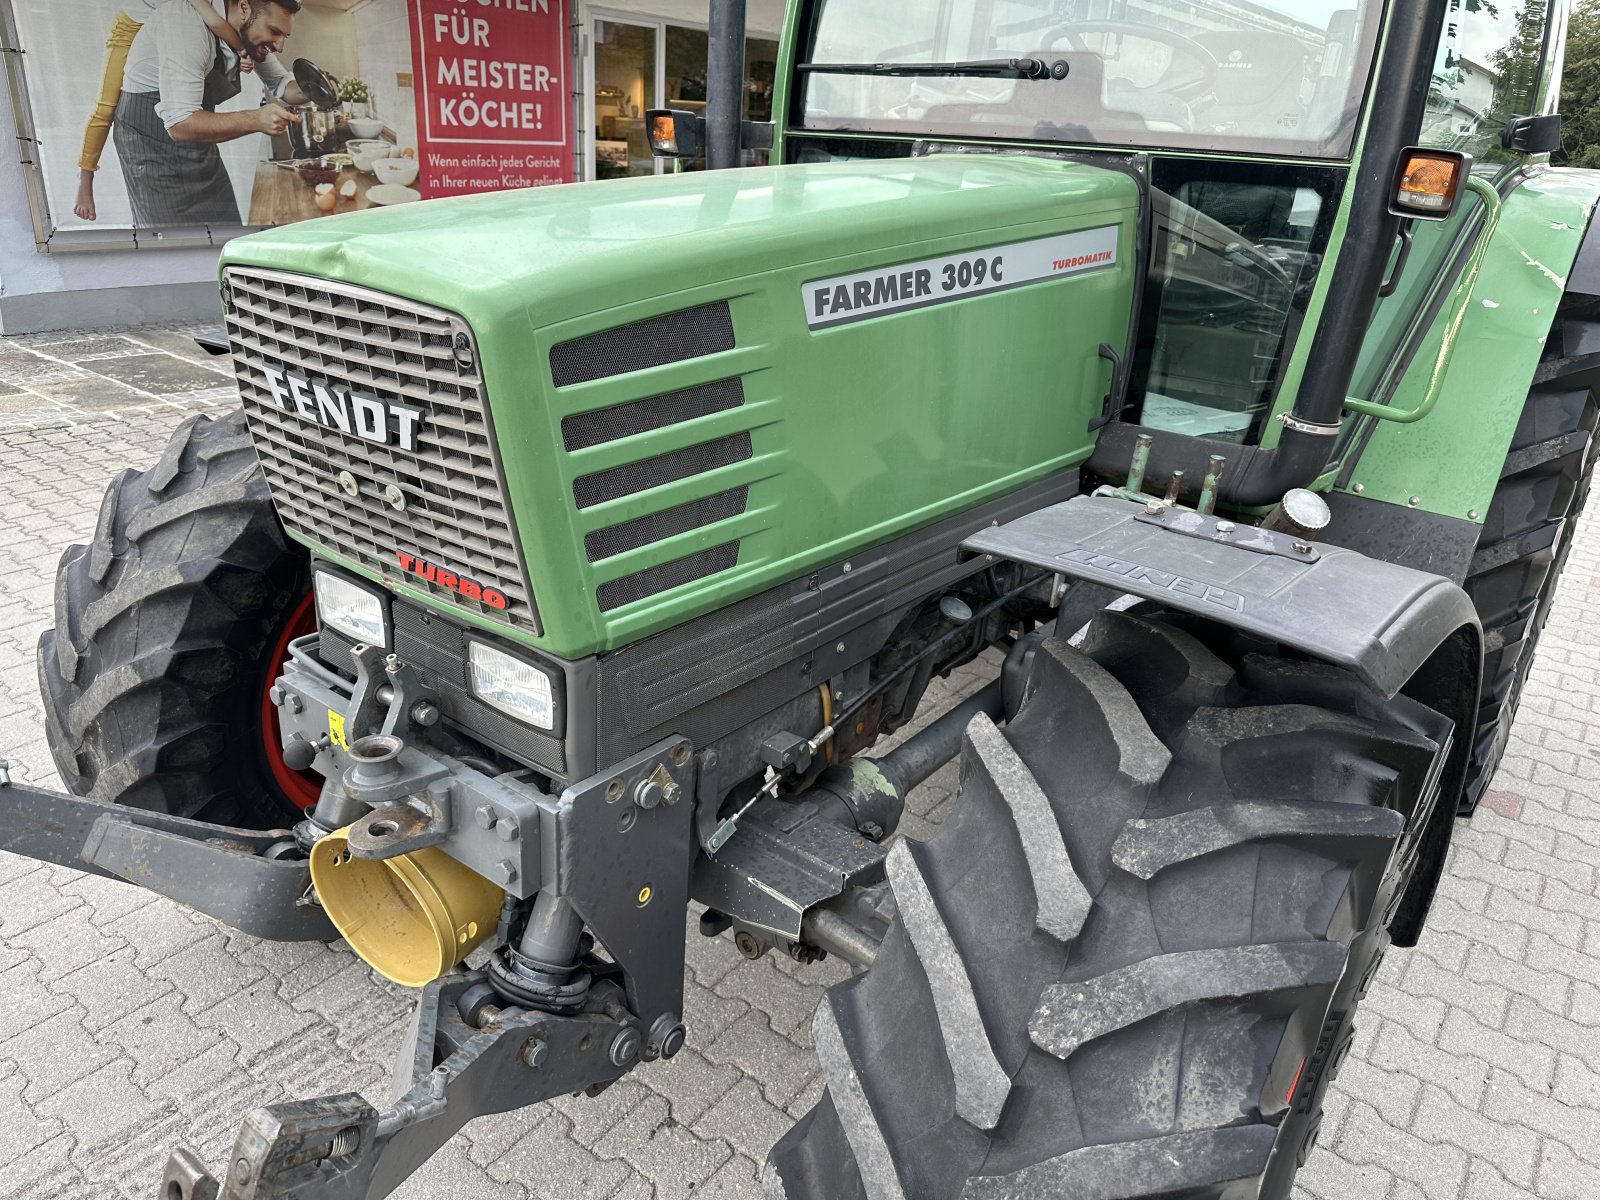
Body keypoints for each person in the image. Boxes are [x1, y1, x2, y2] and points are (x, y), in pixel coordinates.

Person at [112, 0, 308, 228]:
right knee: (178, 253)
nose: (280, 46)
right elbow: (180, 123)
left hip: (198, 147)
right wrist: (256, 119)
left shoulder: (246, 35)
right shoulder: (184, 22)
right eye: (274, 31)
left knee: (227, 235)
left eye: (284, 36)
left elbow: (282, 84)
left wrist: (316, 88)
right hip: (154, 156)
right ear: (244, 7)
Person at [74, 0, 253, 222]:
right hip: (131, 28)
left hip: (167, 32)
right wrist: (243, 50)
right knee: (106, 108)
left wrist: (237, 56)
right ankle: (85, 183)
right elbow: (216, 22)